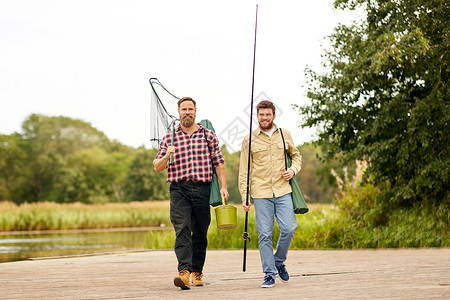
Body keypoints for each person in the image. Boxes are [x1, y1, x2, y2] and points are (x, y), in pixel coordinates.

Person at [153, 97, 229, 290]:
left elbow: (219, 162)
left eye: (190, 109)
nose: (187, 112)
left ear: (196, 111)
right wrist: (168, 154)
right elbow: (157, 167)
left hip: (202, 189)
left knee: (200, 232)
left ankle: (197, 272)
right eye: (183, 109)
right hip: (179, 189)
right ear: (178, 112)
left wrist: (223, 186)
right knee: (182, 229)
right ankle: (184, 272)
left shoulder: (208, 135)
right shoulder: (169, 137)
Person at [239, 100, 301, 288]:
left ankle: (278, 261)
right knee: (265, 234)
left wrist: (293, 170)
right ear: (257, 116)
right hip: (260, 192)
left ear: (274, 116)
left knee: (289, 228)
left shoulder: (284, 134)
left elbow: (296, 156)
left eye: (268, 114)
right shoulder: (249, 139)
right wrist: (245, 195)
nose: (264, 118)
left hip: (283, 190)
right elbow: (244, 170)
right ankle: (269, 273)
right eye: (261, 115)